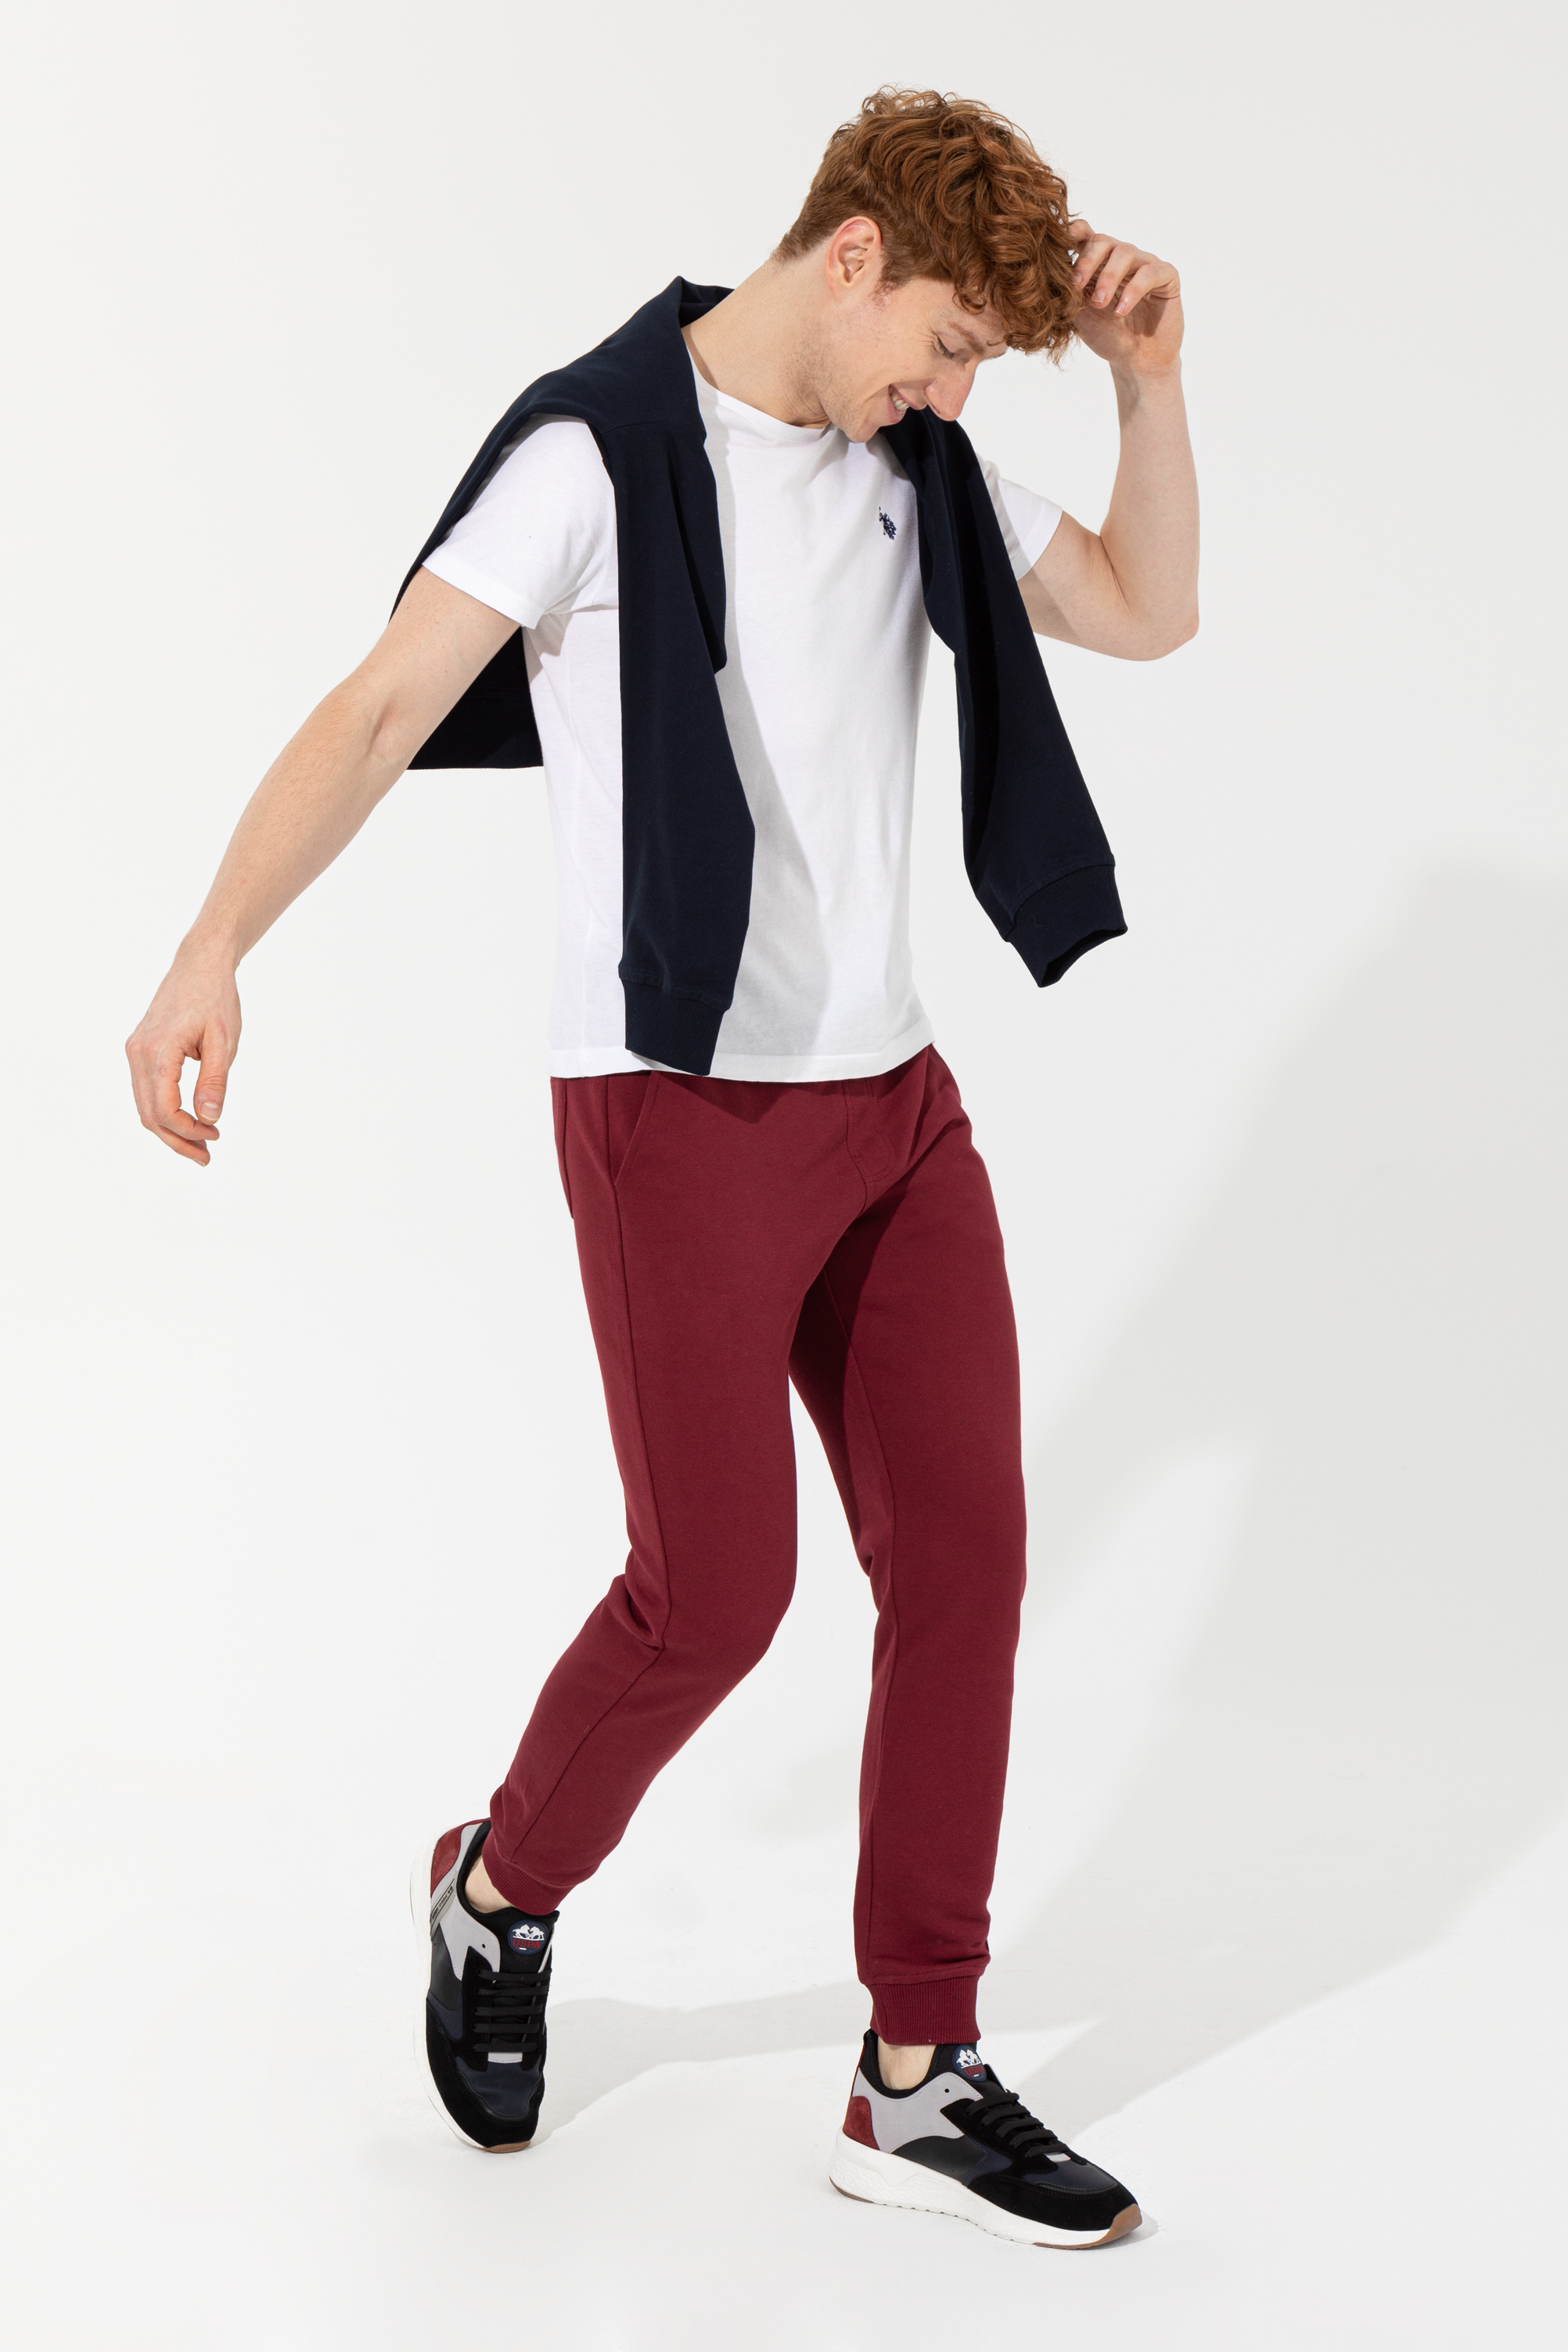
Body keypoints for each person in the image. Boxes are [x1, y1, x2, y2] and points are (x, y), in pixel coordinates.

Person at [126, 88, 1197, 2248]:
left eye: (979, 371)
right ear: (850, 257)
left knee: (965, 1566)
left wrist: (1149, 387)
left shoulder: (912, 461)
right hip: (674, 1111)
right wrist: (214, 944)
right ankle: (500, 1886)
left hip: (892, 1107)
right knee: (714, 1595)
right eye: (948, 346)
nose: (951, 394)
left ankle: (915, 2072)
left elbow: (1140, 609)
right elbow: (379, 708)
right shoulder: (594, 454)